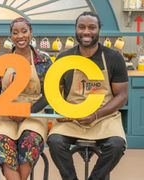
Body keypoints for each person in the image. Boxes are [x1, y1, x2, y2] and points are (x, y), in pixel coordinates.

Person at [47, 11, 128, 180]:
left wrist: (96, 114)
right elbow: (54, 92)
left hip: (104, 117)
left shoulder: (113, 57)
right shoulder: (64, 58)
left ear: (99, 30)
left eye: (92, 27)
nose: (86, 32)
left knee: (116, 145)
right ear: (76, 29)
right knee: (55, 141)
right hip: (72, 119)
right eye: (81, 27)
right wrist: (61, 111)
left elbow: (121, 96)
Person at [0, 17, 52, 180]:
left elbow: (49, 95)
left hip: (34, 112)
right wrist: (7, 110)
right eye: (15, 32)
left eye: (24, 31)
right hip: (6, 115)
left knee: (29, 141)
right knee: (3, 142)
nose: (20, 36)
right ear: (11, 36)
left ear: (31, 32)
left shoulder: (43, 60)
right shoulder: (1, 62)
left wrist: (26, 112)